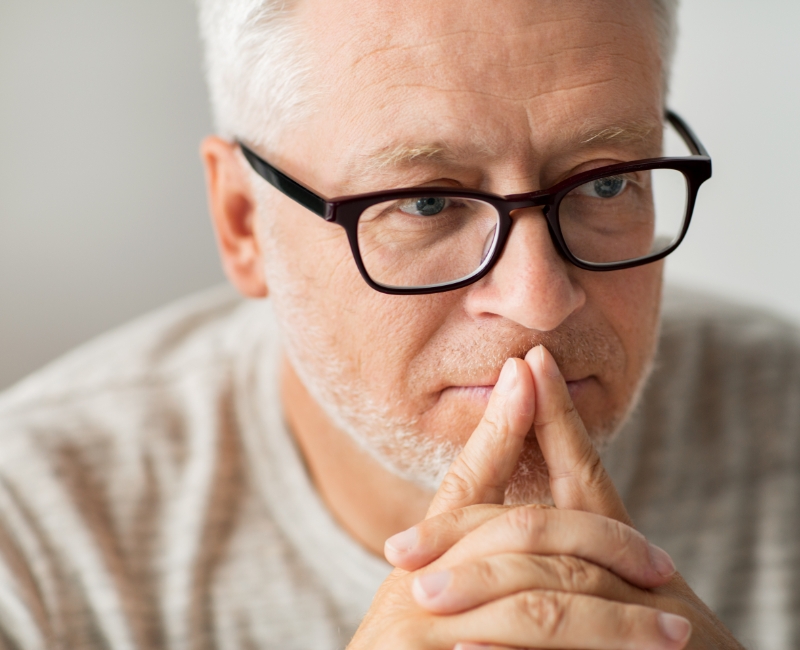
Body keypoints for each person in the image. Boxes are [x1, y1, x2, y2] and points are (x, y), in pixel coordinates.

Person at [0, 0, 798, 648]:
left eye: (607, 185)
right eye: (426, 202)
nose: (539, 300)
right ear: (243, 221)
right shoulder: (31, 533)